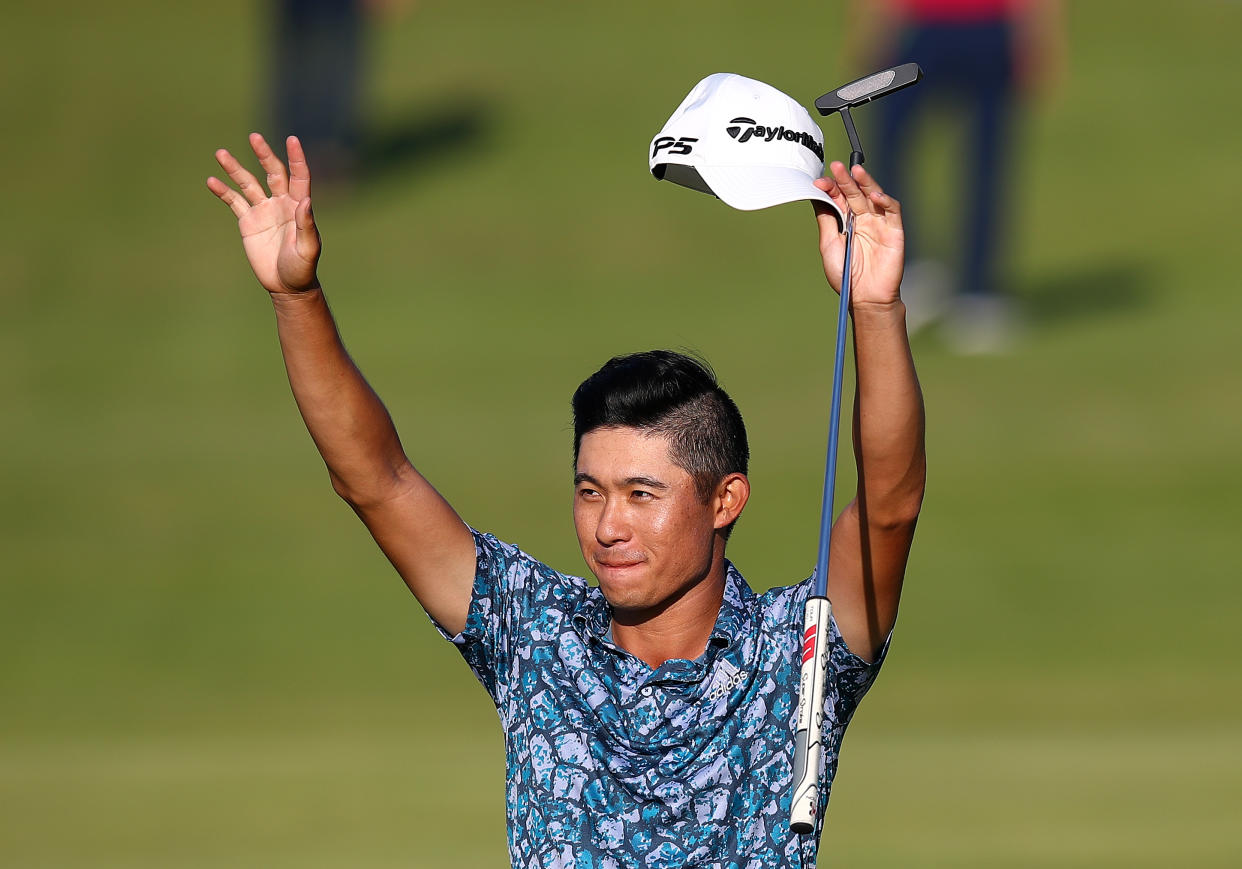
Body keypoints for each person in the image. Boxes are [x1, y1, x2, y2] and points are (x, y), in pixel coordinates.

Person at [206, 132, 925, 867]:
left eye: (642, 493)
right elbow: (376, 481)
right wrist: (296, 297)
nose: (609, 525)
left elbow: (889, 507)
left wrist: (873, 307)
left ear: (725, 499)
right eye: (590, 491)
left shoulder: (798, 653)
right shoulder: (533, 632)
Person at [852, 0, 1066, 352]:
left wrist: (1041, 36)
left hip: (991, 28)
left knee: (988, 161)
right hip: (923, 26)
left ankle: (979, 292)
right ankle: (913, 266)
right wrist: (873, 29)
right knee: (884, 144)